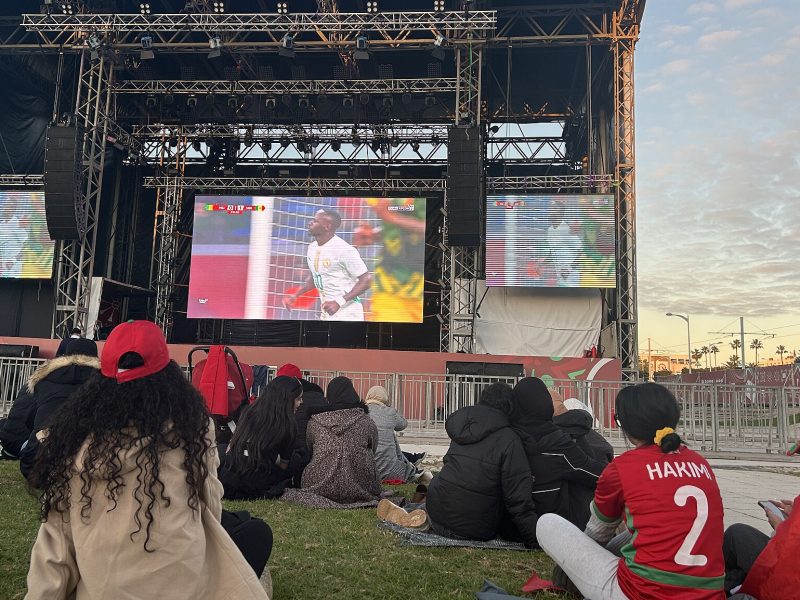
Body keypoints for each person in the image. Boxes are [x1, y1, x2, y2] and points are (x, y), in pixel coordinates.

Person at [25, 320, 271, 600]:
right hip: (184, 586)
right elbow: (211, 507)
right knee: (251, 535)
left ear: (100, 380)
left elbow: (54, 552)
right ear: (168, 374)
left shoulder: (75, 441)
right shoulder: (194, 430)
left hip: (103, 591)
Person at [536, 382, 726, 600]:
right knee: (644, 530)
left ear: (626, 426)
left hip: (642, 593)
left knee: (547, 523)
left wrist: (572, 567)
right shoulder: (700, 463)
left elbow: (596, 535)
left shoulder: (623, 467)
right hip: (709, 595)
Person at [423, 382, 539, 547]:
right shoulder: (509, 439)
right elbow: (518, 498)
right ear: (511, 408)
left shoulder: (465, 428)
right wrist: (534, 538)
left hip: (436, 516)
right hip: (473, 529)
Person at [511, 377, 607, 530]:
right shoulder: (557, 442)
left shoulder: (507, 437)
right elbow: (595, 473)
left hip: (510, 524)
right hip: (551, 524)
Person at [20, 338, 100, 481]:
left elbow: (30, 420)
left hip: (35, 463)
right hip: (86, 465)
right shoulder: (104, 381)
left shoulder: (44, 379)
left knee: (29, 442)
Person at [218, 376, 304, 500]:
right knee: (296, 459)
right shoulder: (287, 425)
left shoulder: (248, 412)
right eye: (298, 399)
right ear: (287, 400)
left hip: (229, 479)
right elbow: (284, 465)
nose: (301, 403)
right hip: (255, 485)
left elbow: (233, 445)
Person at [299, 377, 382, 503]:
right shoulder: (366, 421)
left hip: (318, 484)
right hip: (362, 485)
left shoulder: (315, 421)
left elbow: (310, 448)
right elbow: (373, 448)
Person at [283, 209, 372, 321]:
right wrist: (296, 295)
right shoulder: (312, 248)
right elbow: (314, 277)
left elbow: (367, 279)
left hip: (348, 314)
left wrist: (339, 302)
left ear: (327, 226)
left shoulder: (344, 250)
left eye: (315, 221)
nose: (310, 223)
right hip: (327, 312)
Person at [353, 198, 426, 323]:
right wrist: (375, 235)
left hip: (421, 287)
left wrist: (391, 217)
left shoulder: (420, 200)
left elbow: (433, 228)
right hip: (389, 285)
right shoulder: (392, 203)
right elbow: (400, 225)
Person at [724, 496, 799, 599]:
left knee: (736, 536)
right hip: (790, 553)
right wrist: (794, 517)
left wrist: (780, 529)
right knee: (737, 534)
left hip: (790, 571)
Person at [363, 385, 432, 484]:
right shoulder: (389, 412)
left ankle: (411, 459)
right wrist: (389, 408)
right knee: (390, 437)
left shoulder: (361, 412)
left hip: (366, 471)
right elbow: (403, 424)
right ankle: (411, 462)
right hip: (388, 470)